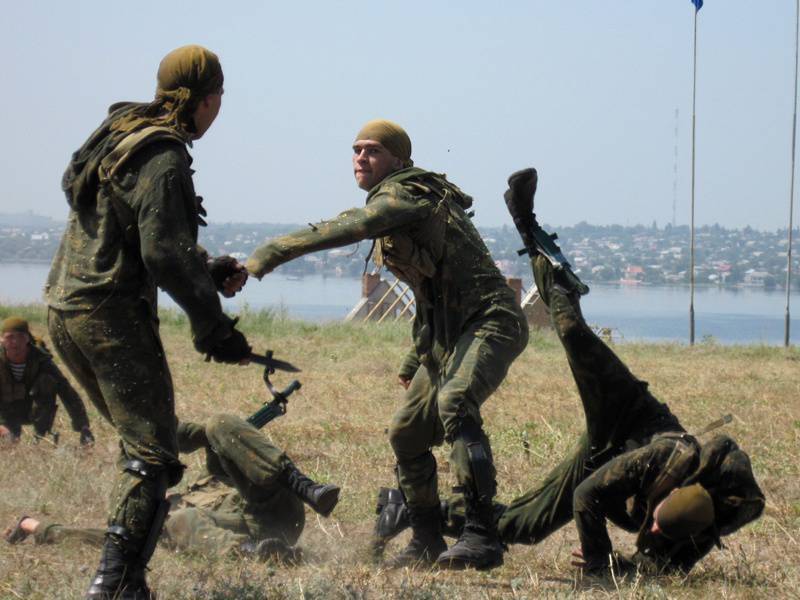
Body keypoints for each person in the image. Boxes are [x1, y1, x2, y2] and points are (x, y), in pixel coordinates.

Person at [372, 168, 765, 576]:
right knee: (574, 332)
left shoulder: (733, 510)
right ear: (669, 493)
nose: (646, 527)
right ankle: (528, 224)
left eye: (655, 528)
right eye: (654, 520)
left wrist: (630, 565)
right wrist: (598, 560)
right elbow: (587, 495)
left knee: (523, 527)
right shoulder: (662, 459)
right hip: (630, 414)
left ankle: (418, 510)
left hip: (616, 462)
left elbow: (664, 565)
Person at [246, 120, 529, 570]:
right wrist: (415, 355)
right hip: (444, 337)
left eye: (373, 150)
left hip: (491, 321)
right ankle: (427, 538)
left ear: (398, 160)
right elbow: (428, 289)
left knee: (455, 402)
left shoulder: (404, 195)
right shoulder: (396, 205)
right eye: (356, 150)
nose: (361, 157)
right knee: (407, 432)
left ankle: (481, 534)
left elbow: (355, 224)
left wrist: (270, 253)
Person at [45, 45, 251, 599]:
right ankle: (115, 585)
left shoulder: (118, 135)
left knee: (141, 446)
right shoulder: (163, 153)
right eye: (220, 100)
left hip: (66, 308)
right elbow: (162, 253)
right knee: (154, 456)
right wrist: (215, 328)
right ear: (209, 99)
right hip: (109, 316)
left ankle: (124, 580)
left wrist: (206, 268)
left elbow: (138, 238)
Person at [5, 414, 340, 561]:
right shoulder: (162, 516)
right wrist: (34, 526)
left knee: (220, 423)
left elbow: (191, 433)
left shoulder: (211, 472)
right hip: (258, 535)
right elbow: (109, 540)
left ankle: (304, 486)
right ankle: (256, 555)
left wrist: (150, 437)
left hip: (273, 503)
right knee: (176, 521)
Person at [0, 316, 94, 445]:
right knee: (8, 442)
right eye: (10, 337)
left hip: (34, 412)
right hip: (5, 414)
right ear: (2, 340)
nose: (15, 342)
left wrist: (83, 426)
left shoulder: (42, 361)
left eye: (20, 336)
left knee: (47, 381)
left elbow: (67, 392)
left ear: (27, 338)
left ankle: (41, 434)